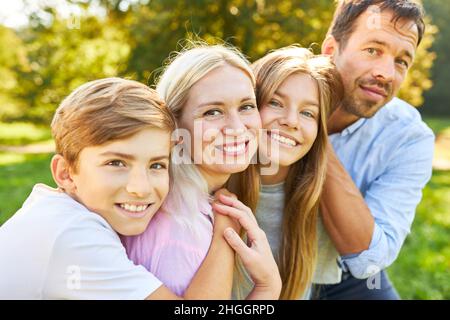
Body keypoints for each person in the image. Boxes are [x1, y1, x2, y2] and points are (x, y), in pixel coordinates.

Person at [0, 77, 279, 299]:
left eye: (156, 165)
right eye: (116, 163)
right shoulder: (71, 235)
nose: (140, 188)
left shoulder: (58, 212)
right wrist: (265, 287)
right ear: (66, 173)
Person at [121, 44, 282, 300]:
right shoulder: (177, 227)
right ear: (173, 127)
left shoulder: (202, 204)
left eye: (246, 107)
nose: (237, 127)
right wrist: (268, 288)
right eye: (213, 112)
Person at [312, 0, 435, 299]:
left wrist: (313, 136)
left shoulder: (409, 137)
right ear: (331, 50)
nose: (387, 73)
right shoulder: (269, 97)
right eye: (373, 50)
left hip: (348, 275)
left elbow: (369, 258)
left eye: (401, 61)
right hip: (264, 262)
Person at [227, 46, 343, 299]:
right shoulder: (212, 187)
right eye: (276, 103)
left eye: (307, 113)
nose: (291, 121)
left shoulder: (313, 202)